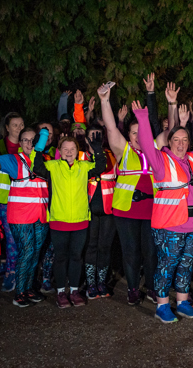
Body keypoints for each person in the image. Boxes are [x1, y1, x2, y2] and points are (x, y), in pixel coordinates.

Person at [134, 96, 193, 323]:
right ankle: (162, 305)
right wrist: (142, 118)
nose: (180, 143)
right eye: (176, 139)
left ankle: (182, 301)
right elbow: (147, 144)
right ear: (170, 142)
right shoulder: (161, 160)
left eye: (184, 139)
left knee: (187, 264)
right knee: (167, 265)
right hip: (170, 225)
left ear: (189, 142)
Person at [99, 77, 177, 305]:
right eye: (133, 132)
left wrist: (172, 105)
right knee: (131, 252)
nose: (136, 136)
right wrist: (105, 101)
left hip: (154, 211)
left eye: (140, 131)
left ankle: (152, 288)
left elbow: (172, 130)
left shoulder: (156, 148)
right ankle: (133, 288)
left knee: (151, 253)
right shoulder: (123, 151)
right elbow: (111, 127)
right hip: (126, 211)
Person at [32, 128, 106, 308]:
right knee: (61, 257)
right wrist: (39, 146)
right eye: (65, 148)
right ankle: (60, 293)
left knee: (76, 257)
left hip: (80, 221)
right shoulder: (53, 166)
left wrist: (98, 149)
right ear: (59, 150)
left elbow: (101, 167)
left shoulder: (84, 166)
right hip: (59, 221)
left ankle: (73, 290)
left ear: (77, 151)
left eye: (72, 148)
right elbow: (36, 166)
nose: (69, 152)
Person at [0, 125, 50, 307]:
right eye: (24, 140)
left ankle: (30, 288)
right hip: (21, 216)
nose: (28, 143)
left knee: (35, 254)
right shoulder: (14, 160)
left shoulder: (45, 159)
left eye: (32, 140)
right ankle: (19, 293)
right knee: (26, 252)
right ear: (20, 142)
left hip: (41, 215)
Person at [0, 112, 24, 292]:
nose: (19, 128)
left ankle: (17, 270)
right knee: (10, 238)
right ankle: (10, 272)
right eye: (15, 125)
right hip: (4, 202)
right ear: (6, 128)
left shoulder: (27, 146)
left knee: (20, 239)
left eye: (22, 124)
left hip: (24, 201)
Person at [84, 124, 117, 300]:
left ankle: (102, 282)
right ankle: (90, 283)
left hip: (108, 208)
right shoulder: (80, 156)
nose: (95, 138)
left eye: (99, 135)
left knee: (105, 246)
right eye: (92, 135)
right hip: (88, 208)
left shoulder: (111, 154)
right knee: (91, 246)